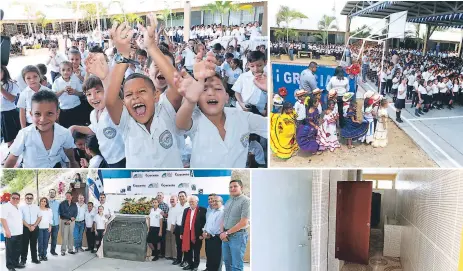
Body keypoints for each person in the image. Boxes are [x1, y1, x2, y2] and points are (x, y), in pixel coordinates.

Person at [101, 15, 183, 168]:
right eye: (129, 95)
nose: (135, 97)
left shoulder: (165, 110)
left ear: (156, 95)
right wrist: (123, 55)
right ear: (124, 103)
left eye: (142, 91)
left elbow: (177, 87)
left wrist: (151, 46)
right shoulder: (126, 122)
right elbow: (111, 100)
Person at [173, 51, 267, 168]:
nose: (211, 93)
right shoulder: (196, 119)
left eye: (217, 89)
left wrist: (269, 89)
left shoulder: (243, 117)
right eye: (204, 89)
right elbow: (180, 124)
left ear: (227, 97)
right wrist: (190, 100)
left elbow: (273, 127)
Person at [5, 91, 78, 168]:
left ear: (57, 113)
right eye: (37, 114)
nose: (43, 119)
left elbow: (69, 151)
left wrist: (73, 162)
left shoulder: (64, 133)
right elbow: (13, 157)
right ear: (31, 114)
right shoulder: (24, 134)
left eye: (49, 113)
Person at [69, 75, 126, 168]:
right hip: (107, 157)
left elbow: (115, 98)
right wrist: (74, 127)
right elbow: (93, 129)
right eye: (89, 94)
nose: (93, 97)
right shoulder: (93, 114)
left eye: (98, 92)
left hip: (122, 157)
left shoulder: (112, 110)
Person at [221, 180, 250, 271]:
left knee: (236, 265)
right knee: (227, 262)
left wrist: (227, 232)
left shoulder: (246, 201)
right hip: (225, 236)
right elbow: (223, 219)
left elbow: (244, 222)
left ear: (241, 187)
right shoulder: (228, 201)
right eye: (230, 187)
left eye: (235, 186)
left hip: (238, 236)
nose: (232, 188)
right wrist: (223, 232)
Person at [232, 50, 267, 115]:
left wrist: (266, 109)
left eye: (259, 65)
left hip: (260, 111)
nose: (256, 69)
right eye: (252, 66)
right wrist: (241, 103)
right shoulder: (243, 76)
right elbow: (237, 92)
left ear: (265, 63)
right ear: (248, 65)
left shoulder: (267, 78)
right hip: (243, 108)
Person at [181, 196, 207, 271]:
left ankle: (195, 265)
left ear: (197, 202)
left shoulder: (202, 210)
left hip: (197, 235)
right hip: (187, 234)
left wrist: (202, 234)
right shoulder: (186, 210)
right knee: (188, 251)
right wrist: (181, 233)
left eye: (192, 201)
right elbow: (183, 222)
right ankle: (190, 264)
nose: (191, 203)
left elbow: (204, 223)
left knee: (196, 251)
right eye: (190, 202)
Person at [0, 192, 25, 271]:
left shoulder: (18, 207)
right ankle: (10, 266)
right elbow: (2, 219)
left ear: (19, 200)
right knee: (10, 251)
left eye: (17, 198)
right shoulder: (5, 206)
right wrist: (7, 231)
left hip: (19, 232)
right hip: (10, 233)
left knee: (17, 250)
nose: (15, 199)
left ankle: (16, 263)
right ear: (10, 198)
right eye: (13, 198)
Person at [1, 65, 21, 148]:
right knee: (6, 135)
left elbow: (12, 99)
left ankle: (13, 154)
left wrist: (1, 89)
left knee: (12, 136)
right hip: (2, 113)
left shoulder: (11, 84)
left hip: (10, 113)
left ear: (4, 72)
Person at [203, 195, 224, 271]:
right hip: (208, 237)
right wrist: (204, 231)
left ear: (221, 202)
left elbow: (217, 227)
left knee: (216, 258)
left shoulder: (222, 212)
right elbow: (207, 223)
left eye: (216, 201)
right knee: (210, 255)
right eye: (213, 201)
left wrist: (208, 233)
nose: (213, 202)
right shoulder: (212, 211)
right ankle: (209, 269)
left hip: (216, 238)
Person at [20, 193, 41, 265]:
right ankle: (23, 260)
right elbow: (21, 219)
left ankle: (34, 259)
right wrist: (29, 227)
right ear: (25, 199)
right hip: (25, 228)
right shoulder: (21, 207)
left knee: (34, 244)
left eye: (30, 198)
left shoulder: (36, 207)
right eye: (27, 198)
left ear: (33, 199)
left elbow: (39, 217)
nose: (29, 199)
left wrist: (34, 226)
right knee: (24, 244)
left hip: (35, 227)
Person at [173, 191, 190, 267]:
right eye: (180, 196)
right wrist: (173, 226)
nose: (181, 197)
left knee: (185, 245)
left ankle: (185, 260)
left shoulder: (189, 205)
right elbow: (175, 217)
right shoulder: (177, 206)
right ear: (178, 198)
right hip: (178, 227)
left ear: (186, 197)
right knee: (178, 245)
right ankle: (178, 259)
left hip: (186, 228)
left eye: (183, 196)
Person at [58, 192, 78, 256]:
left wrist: (72, 218)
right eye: (67, 196)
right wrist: (70, 218)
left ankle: (70, 250)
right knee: (65, 236)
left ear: (71, 197)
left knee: (71, 236)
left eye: (69, 196)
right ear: (65, 196)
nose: (68, 197)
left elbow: (76, 212)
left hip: (72, 222)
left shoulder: (74, 204)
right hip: (64, 221)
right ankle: (63, 251)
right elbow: (62, 213)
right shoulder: (62, 204)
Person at [37, 197, 52, 262]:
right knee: (40, 243)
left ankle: (44, 255)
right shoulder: (37, 209)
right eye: (42, 201)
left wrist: (50, 226)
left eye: (44, 201)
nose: (43, 202)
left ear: (46, 203)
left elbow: (50, 219)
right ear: (40, 202)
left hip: (46, 228)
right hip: (39, 228)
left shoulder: (49, 210)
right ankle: (40, 255)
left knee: (45, 242)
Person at [48, 189, 61, 256]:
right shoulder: (45, 202)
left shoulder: (58, 203)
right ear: (49, 194)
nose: (52, 193)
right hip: (47, 224)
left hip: (56, 224)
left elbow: (59, 212)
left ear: (55, 194)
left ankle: (53, 251)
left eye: (53, 192)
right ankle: (43, 253)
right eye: (50, 192)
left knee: (54, 238)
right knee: (46, 239)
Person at [166, 195, 178, 261]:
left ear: (177, 200)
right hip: (168, 227)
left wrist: (172, 227)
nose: (172, 200)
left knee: (174, 243)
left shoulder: (178, 208)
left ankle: (175, 256)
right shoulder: (170, 208)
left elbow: (176, 219)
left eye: (173, 199)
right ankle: (168, 255)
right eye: (171, 199)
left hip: (174, 227)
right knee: (168, 242)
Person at [156, 192, 169, 258]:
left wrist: (163, 214)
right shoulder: (154, 204)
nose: (159, 197)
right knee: (156, 238)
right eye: (158, 195)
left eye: (160, 196)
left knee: (162, 239)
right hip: (155, 224)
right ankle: (156, 253)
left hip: (163, 224)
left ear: (163, 197)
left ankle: (162, 253)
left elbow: (167, 216)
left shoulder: (165, 205)